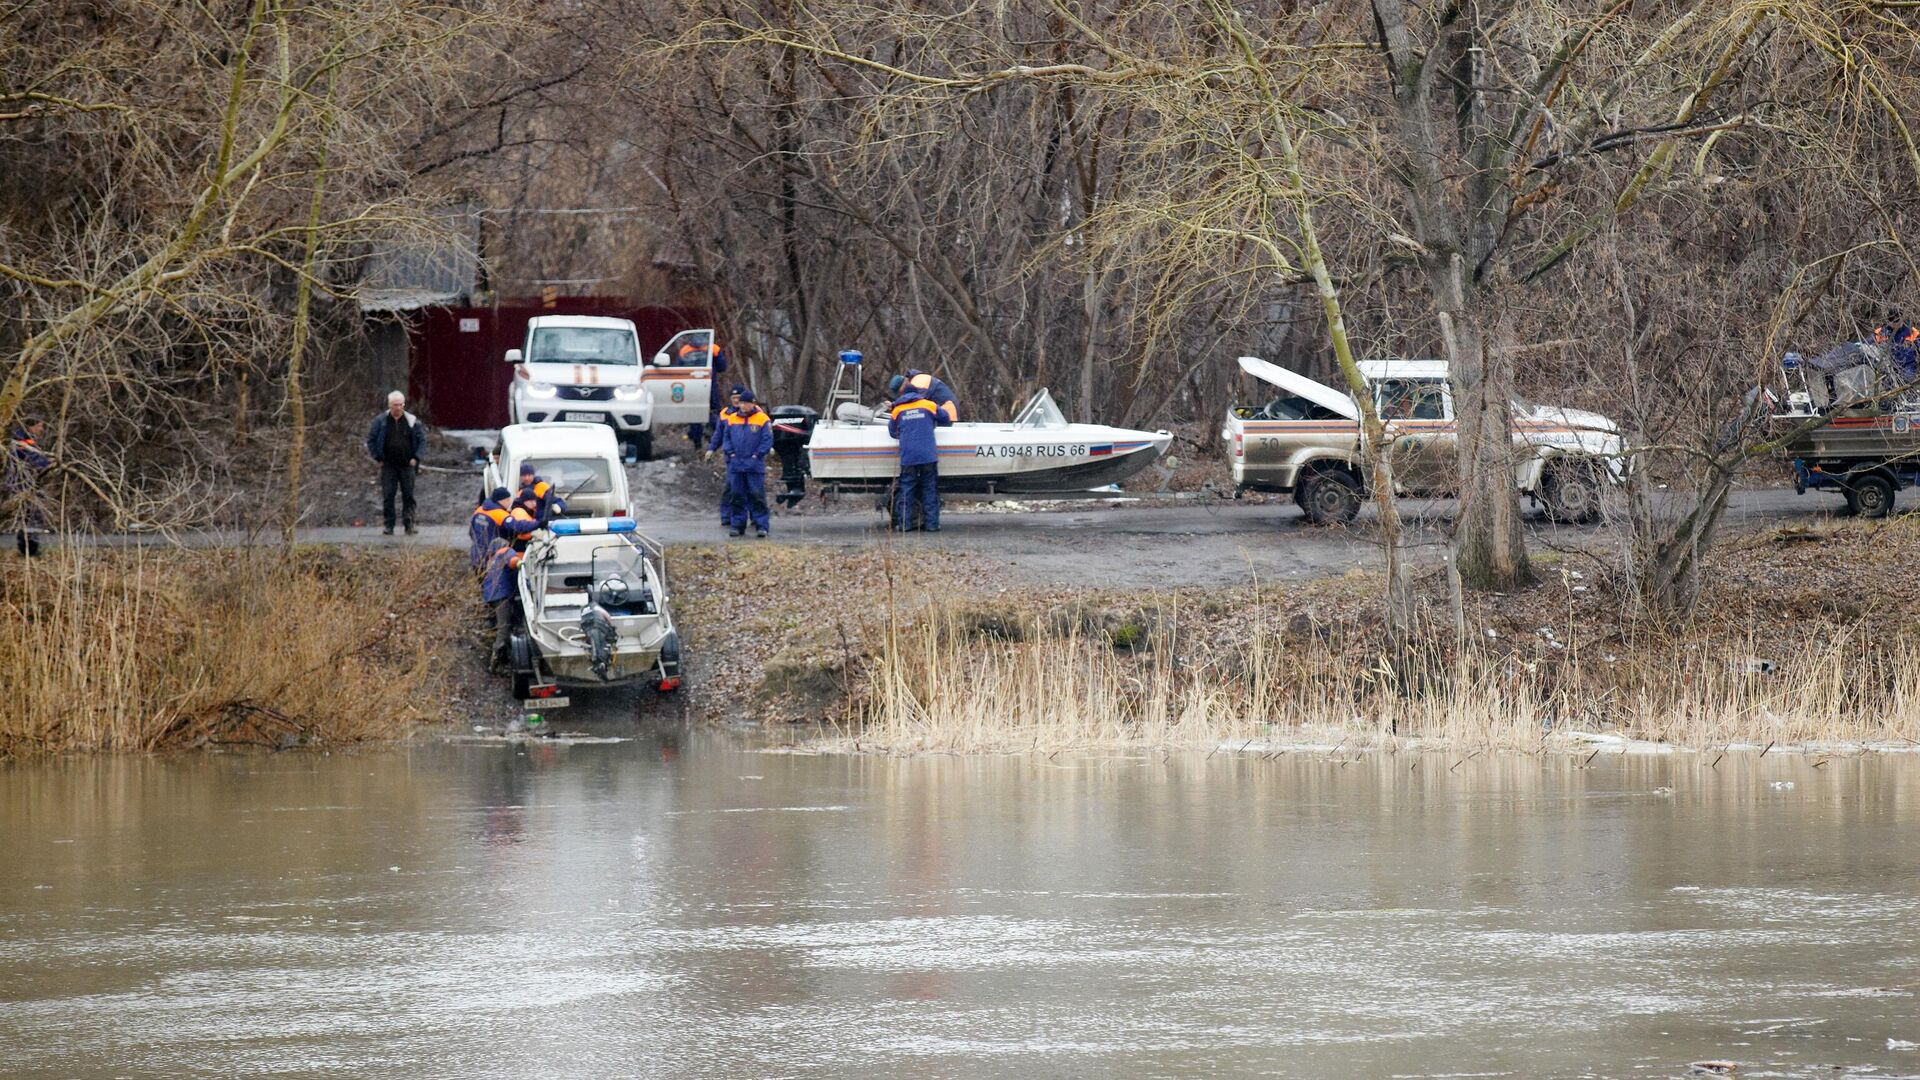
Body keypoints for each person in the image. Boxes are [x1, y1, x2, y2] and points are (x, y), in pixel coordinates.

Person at [888, 389, 951, 532]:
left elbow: (892, 431)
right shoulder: (929, 405)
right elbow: (946, 419)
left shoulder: (898, 409)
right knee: (929, 488)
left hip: (908, 455)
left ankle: (905, 525)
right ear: (918, 394)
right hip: (928, 454)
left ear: (903, 395)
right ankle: (932, 525)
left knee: (906, 490)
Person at [364, 390, 425, 535]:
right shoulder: (380, 421)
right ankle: (388, 525)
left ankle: (409, 525)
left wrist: (416, 458)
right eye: (395, 405)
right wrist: (378, 458)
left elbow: (422, 441)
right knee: (388, 495)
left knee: (408, 495)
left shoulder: (411, 421)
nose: (398, 408)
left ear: (404, 404)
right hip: (388, 465)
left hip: (407, 465)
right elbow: (371, 440)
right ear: (389, 405)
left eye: (400, 404)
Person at [716, 389, 772, 538]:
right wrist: (731, 454)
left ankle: (761, 525)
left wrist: (756, 455)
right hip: (736, 464)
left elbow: (767, 440)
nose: (743, 406)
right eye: (741, 403)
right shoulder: (732, 419)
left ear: (752, 403)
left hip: (754, 464)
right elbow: (726, 438)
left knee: (757, 495)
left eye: (745, 403)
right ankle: (737, 525)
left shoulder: (762, 419)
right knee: (736, 495)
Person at [7, 418, 51, 557]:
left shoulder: (26, 439)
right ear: (30, 426)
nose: (41, 430)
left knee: (30, 516)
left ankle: (29, 548)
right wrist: (46, 463)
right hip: (23, 483)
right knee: (31, 515)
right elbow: (30, 459)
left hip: (26, 482)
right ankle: (29, 549)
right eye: (39, 426)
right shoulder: (20, 441)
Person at [480, 537, 524, 672]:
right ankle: (495, 662)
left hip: (489, 596)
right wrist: (522, 564)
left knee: (494, 626)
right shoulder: (506, 551)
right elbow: (513, 561)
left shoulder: (492, 560)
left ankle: (497, 655)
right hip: (501, 596)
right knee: (503, 628)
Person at [705, 384, 746, 530]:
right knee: (731, 487)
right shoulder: (725, 414)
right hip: (732, 457)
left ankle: (753, 518)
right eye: (733, 398)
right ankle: (726, 516)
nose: (736, 401)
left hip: (749, 456)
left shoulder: (752, 412)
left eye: (739, 398)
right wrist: (711, 449)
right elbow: (719, 434)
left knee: (752, 489)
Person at [688, 339, 730, 446]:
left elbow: (680, 368)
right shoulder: (714, 348)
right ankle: (715, 442)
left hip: (691, 389)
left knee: (694, 415)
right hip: (709, 387)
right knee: (713, 412)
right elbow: (722, 366)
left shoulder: (686, 350)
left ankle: (697, 445)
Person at [888, 369, 960, 423]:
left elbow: (915, 402)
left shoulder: (919, 382)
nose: (901, 394)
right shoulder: (916, 380)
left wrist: (895, 405)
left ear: (904, 384)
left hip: (948, 412)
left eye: (900, 391)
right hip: (941, 413)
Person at [468, 486, 513, 570]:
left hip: (476, 554)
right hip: (490, 556)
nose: (510, 502)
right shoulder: (500, 514)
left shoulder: (479, 511)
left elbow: (471, 532)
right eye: (508, 500)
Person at [1876, 311, 1919, 380]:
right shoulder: (1882, 332)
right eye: (1892, 320)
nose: (1896, 323)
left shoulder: (1911, 331)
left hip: (1908, 366)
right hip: (1889, 366)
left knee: (1908, 379)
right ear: (1888, 321)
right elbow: (1867, 342)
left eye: (1897, 320)